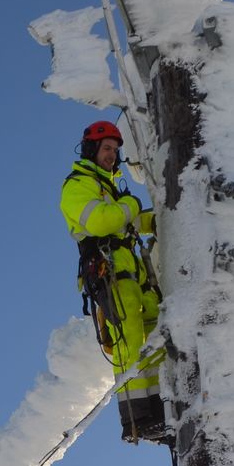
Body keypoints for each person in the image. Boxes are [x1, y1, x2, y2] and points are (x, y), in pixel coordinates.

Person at [59, 120, 166, 443]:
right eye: (107, 149)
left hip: (134, 275)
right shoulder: (78, 185)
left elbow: (132, 221)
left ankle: (164, 408)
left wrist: (164, 217)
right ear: (92, 149)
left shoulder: (110, 188)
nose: (112, 155)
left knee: (155, 336)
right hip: (109, 274)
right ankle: (137, 419)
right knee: (129, 340)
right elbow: (103, 221)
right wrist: (132, 205)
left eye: (115, 151)